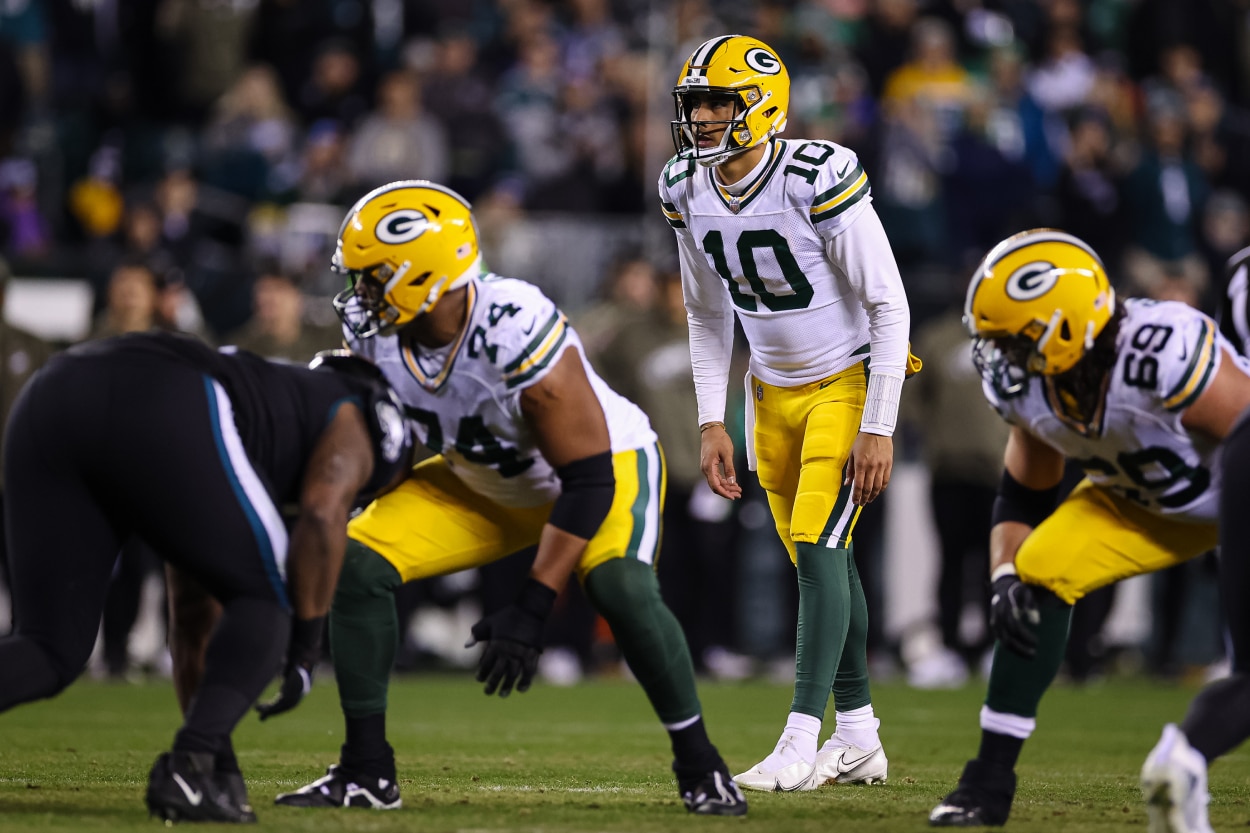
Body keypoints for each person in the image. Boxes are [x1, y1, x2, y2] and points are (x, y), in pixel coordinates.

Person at [271, 180, 747, 816]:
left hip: (604, 465)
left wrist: (533, 604)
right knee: (358, 564)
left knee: (621, 588)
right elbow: (402, 442)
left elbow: (587, 480)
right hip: (483, 479)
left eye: (374, 276)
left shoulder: (511, 326)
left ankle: (701, 765)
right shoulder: (380, 336)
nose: (360, 293)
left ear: (424, 278)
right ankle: (364, 771)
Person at [0, 330, 413, 823]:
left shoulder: (259, 412)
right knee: (268, 596)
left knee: (50, 649)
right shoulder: (361, 413)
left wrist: (223, 768)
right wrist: (304, 648)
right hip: (160, 393)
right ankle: (188, 769)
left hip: (51, 393)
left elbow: (191, 617)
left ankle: (201, 771)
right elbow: (323, 513)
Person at [658, 34, 920, 792]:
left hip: (845, 380)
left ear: (761, 105)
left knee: (815, 544)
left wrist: (879, 422)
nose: (703, 117)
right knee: (822, 558)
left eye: (718, 102)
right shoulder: (687, 185)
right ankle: (862, 736)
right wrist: (714, 419)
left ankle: (801, 740)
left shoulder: (816, 174)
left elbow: (888, 302)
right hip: (767, 393)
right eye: (695, 103)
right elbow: (707, 315)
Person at [928, 228, 1250, 828]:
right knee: (1035, 575)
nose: (997, 358)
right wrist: (1003, 577)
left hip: (1236, 494)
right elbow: (1022, 493)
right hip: (1140, 506)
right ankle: (988, 781)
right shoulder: (1033, 394)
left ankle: (1186, 762)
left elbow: (1248, 434)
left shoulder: (1160, 353)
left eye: (1009, 342)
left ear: (1065, 331)